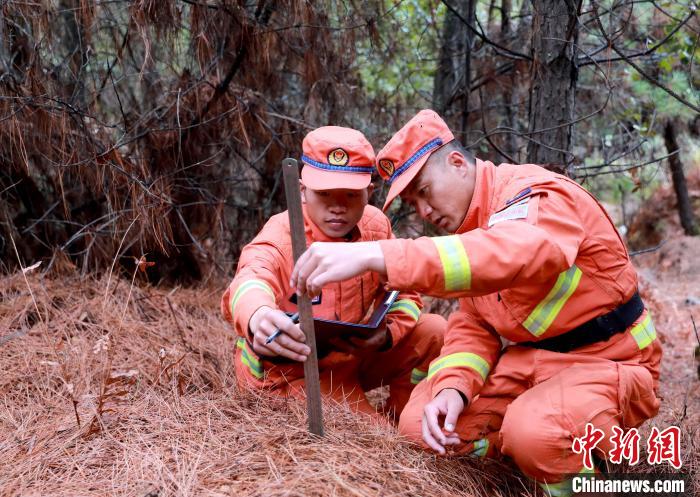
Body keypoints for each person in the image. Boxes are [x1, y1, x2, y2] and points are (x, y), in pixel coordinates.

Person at [290, 110, 661, 494]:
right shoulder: (472, 229)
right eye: (413, 202)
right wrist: (453, 389)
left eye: (424, 191)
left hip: (609, 360)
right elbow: (474, 326)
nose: (424, 211)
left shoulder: (535, 193)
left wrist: (380, 255)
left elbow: (514, 252)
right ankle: (521, 454)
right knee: (422, 428)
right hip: (529, 365)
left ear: (456, 163)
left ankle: (580, 474)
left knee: (535, 434)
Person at [221, 125, 446, 418]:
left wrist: (387, 334)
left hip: (347, 356)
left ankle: (403, 418)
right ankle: (385, 430)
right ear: (302, 192)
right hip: (288, 373)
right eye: (324, 193)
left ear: (369, 193)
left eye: (351, 195)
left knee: (434, 331)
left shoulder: (375, 227)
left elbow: (403, 290)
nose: (338, 207)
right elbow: (251, 277)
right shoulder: (282, 234)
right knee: (373, 443)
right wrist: (257, 315)